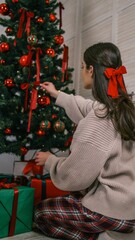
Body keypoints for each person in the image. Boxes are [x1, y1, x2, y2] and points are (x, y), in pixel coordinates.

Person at [34, 42, 135, 240]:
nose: (81, 72)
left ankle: (98, 237)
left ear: (91, 69)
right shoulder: (126, 110)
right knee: (77, 199)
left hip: (113, 211)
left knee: (41, 213)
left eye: (82, 67)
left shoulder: (98, 120)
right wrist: (57, 95)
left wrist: (50, 161)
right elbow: (88, 106)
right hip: (132, 207)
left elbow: (75, 176)